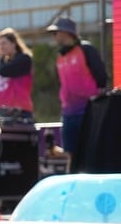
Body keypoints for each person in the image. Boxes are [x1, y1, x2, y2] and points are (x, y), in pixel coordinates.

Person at [46, 17, 107, 158]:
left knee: (91, 151)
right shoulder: (60, 56)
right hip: (68, 112)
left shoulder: (86, 49)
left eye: (56, 33)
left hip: (88, 110)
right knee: (70, 153)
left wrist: (97, 101)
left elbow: (101, 76)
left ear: (66, 32)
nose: (54, 36)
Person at [0, 27, 34, 120]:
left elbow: (4, 71)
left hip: (20, 111)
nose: (1, 47)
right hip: (0, 111)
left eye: (4, 43)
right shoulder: (4, 62)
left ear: (13, 43)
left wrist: (0, 57)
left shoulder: (24, 59)